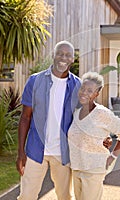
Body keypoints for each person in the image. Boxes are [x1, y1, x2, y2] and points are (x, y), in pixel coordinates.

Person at [16, 41, 80, 200]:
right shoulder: (35, 81)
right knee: (26, 196)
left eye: (67, 55)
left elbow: (84, 118)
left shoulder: (77, 85)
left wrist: (101, 138)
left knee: (64, 196)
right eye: (60, 53)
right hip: (35, 151)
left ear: (73, 59)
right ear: (53, 55)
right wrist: (20, 152)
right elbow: (25, 117)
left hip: (63, 153)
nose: (63, 58)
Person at [68, 72, 120, 200]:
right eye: (83, 89)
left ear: (96, 94)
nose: (84, 93)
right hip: (76, 168)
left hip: (94, 169)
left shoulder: (101, 113)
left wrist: (113, 156)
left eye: (90, 91)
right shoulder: (76, 112)